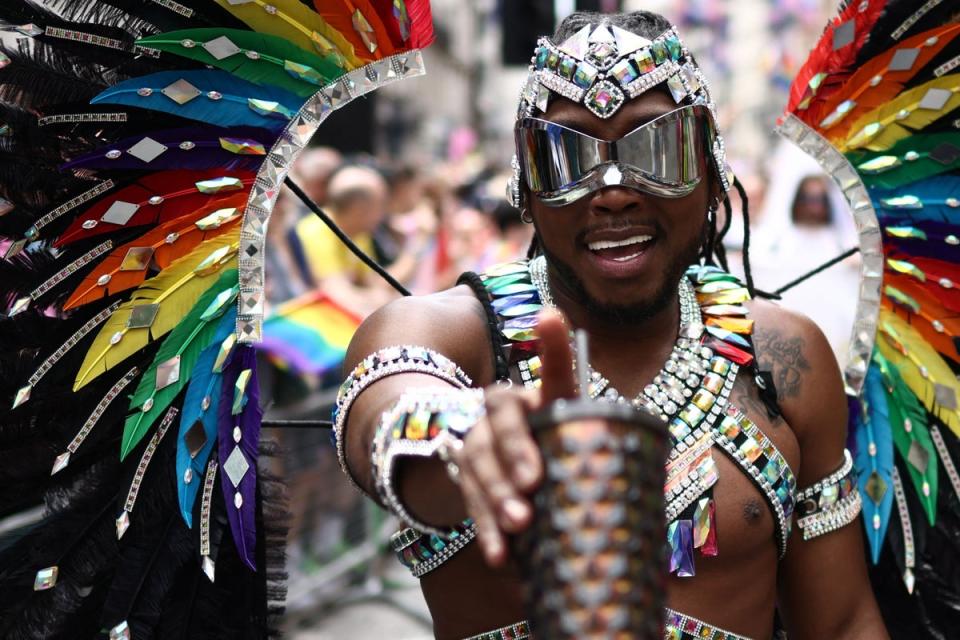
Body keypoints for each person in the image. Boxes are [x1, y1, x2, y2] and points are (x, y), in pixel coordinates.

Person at [334, 10, 887, 640]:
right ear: (525, 185)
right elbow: (386, 404)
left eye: (656, 147)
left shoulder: (782, 355)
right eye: (567, 156)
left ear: (710, 172)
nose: (615, 190)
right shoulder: (452, 336)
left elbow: (841, 622)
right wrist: (462, 430)